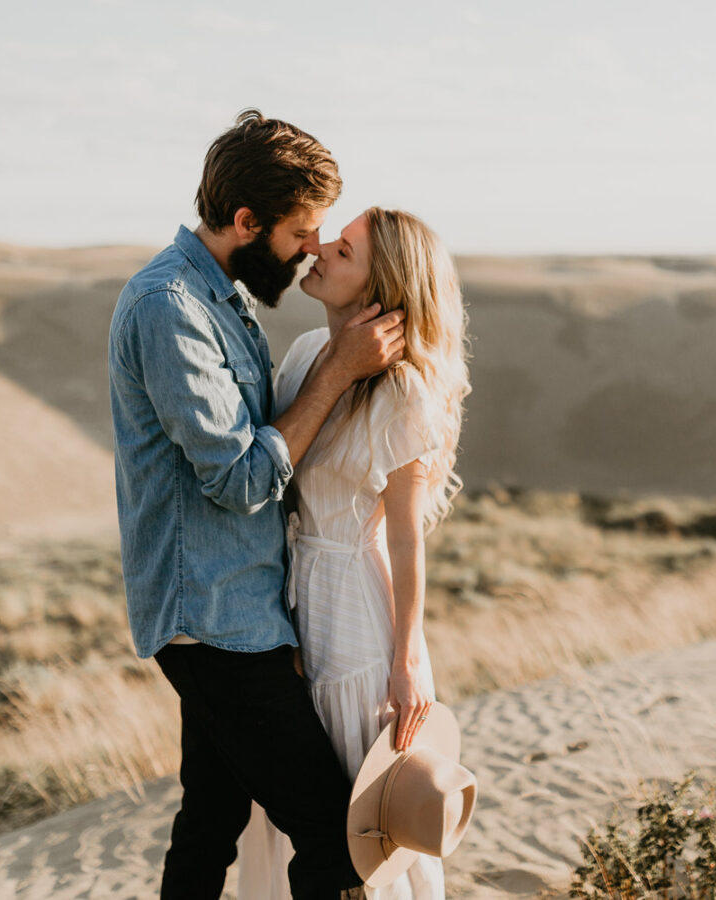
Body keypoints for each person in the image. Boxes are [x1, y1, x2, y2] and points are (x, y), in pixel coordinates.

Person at [107, 110, 405, 900]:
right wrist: (337, 372)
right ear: (247, 222)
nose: (311, 246)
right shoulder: (171, 307)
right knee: (333, 838)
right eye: (301, 231)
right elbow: (240, 479)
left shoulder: (221, 298)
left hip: (242, 610)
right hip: (212, 620)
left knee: (211, 819)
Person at [236, 207, 470, 899]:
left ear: (379, 289)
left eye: (343, 251)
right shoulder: (308, 351)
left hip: (357, 626)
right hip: (291, 604)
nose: (320, 250)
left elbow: (405, 537)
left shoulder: (403, 391)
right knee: (297, 816)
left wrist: (407, 660)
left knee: (370, 821)